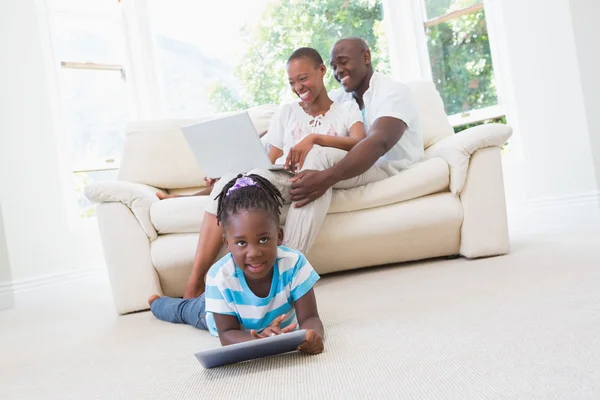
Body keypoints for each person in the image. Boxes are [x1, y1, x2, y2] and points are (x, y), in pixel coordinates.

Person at [156, 46, 365, 200]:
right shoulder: (287, 110)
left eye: (303, 78)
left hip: (319, 177)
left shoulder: (347, 108)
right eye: (292, 82)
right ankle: (191, 197)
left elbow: (360, 143)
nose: (298, 87)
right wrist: (229, 172)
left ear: (321, 70)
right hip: (283, 177)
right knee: (241, 177)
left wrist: (315, 138)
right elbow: (269, 161)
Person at [148, 174, 325, 354]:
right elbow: (227, 334)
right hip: (216, 312)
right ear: (227, 244)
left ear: (279, 236)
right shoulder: (219, 277)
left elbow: (310, 317)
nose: (254, 253)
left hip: (263, 328)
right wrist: (262, 340)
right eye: (241, 243)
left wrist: (312, 336)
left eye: (264, 239)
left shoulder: (294, 263)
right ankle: (157, 303)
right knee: (185, 310)